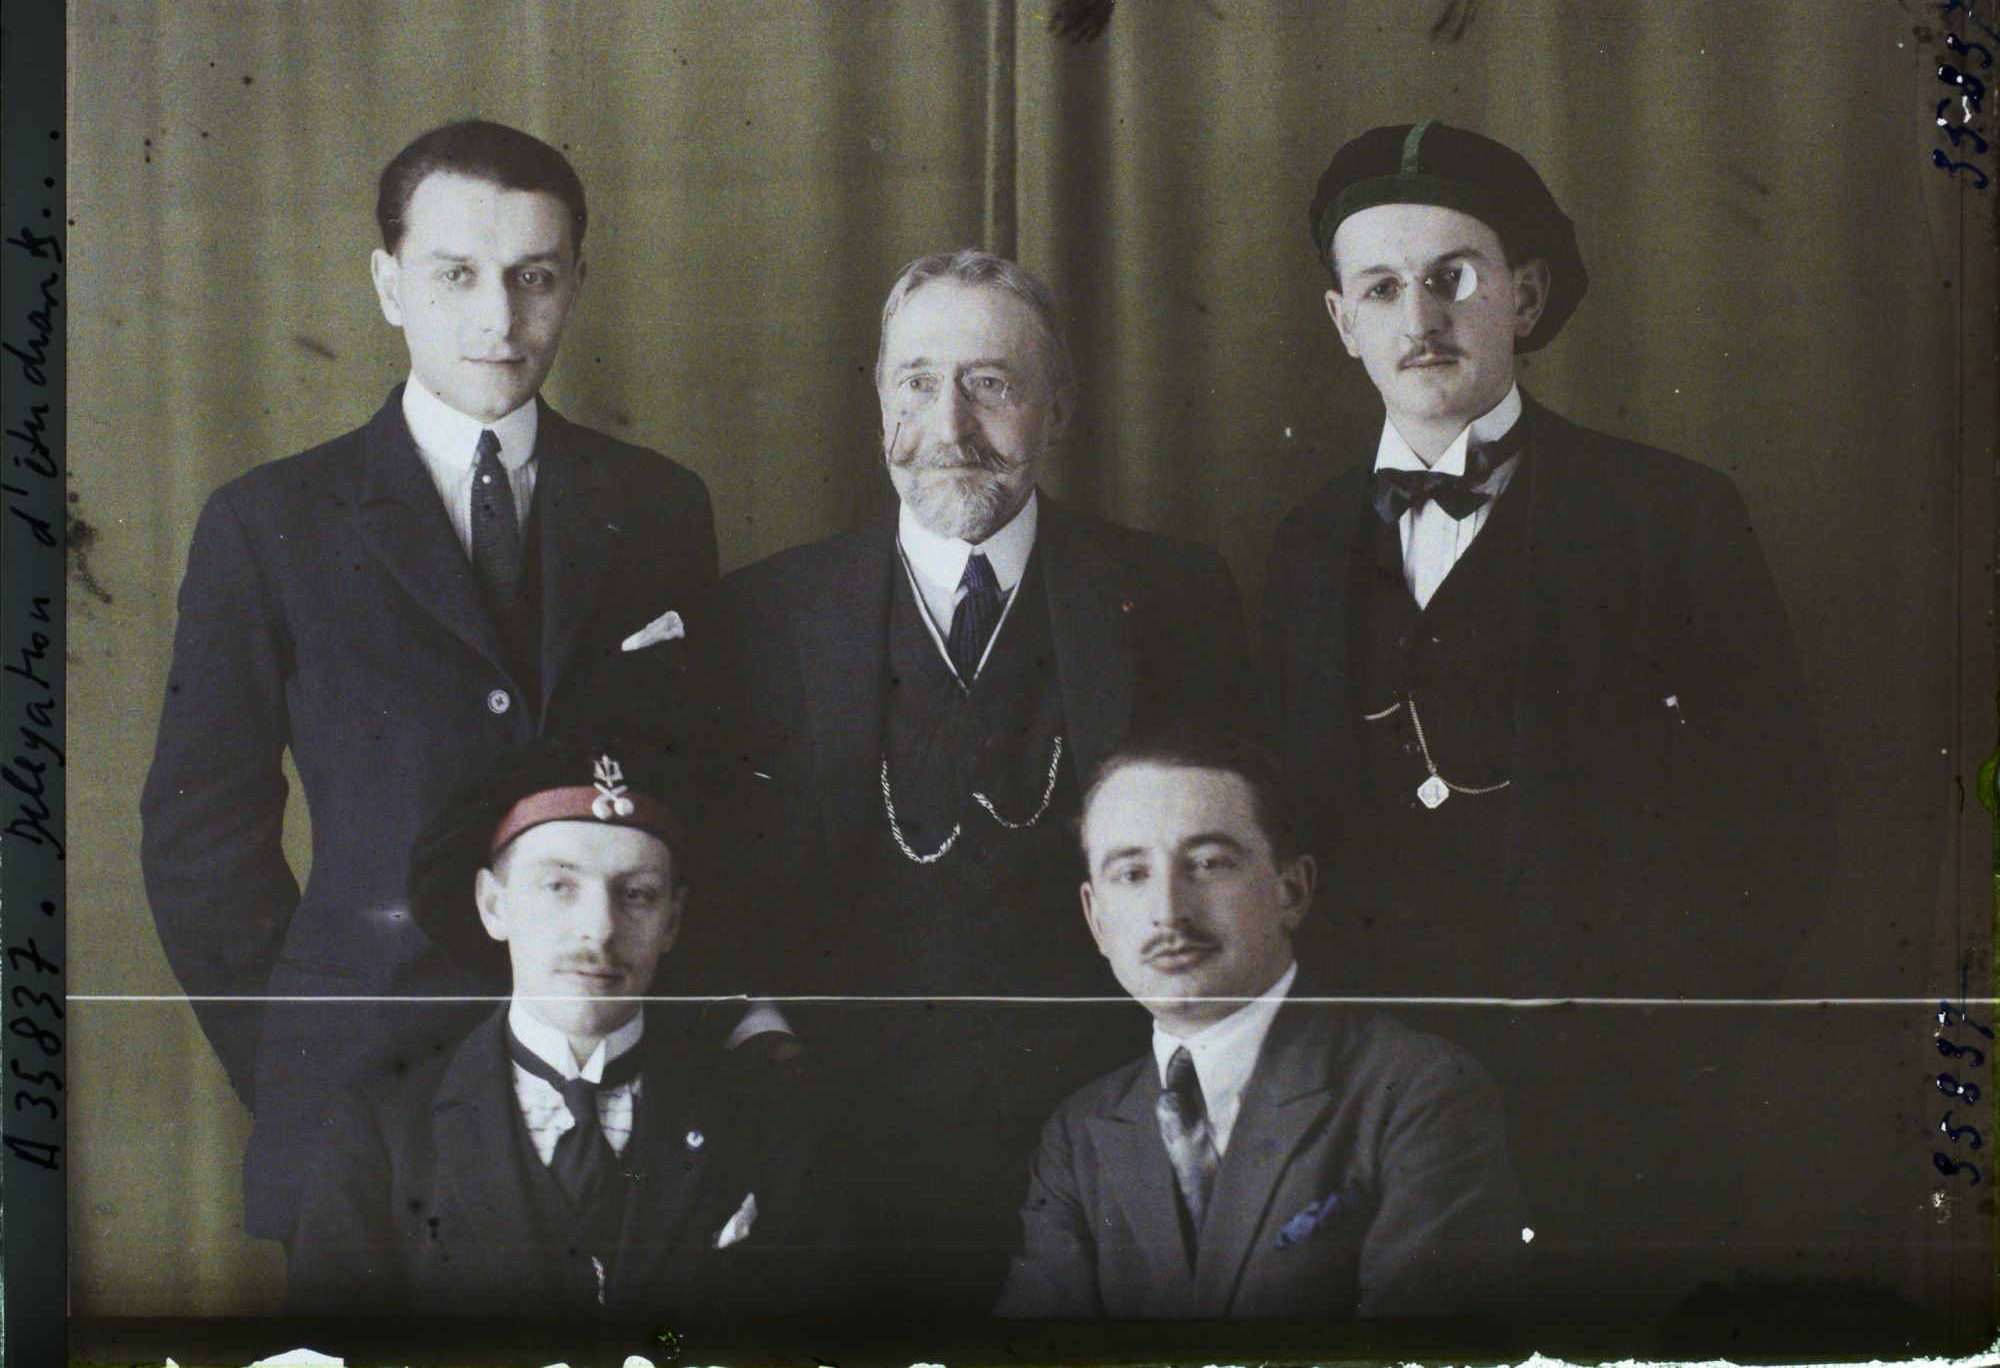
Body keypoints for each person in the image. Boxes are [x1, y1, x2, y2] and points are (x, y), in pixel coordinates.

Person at [1261, 119, 1833, 1300]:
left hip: (1620, 1110)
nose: (1417, 319)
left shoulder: (1667, 516)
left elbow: (1780, 818)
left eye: (1451, 278)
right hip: (1368, 1106)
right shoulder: (1300, 547)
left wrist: (1675, 1045)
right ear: (1341, 321)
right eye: (1380, 287)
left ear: (1520, 297)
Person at [141, 119, 718, 1245]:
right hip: (357, 1090)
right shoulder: (269, 522)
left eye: (533, 277)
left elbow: (696, 787)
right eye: (456, 275)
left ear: (576, 286)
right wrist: (297, 1051)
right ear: (388, 284)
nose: (499, 320)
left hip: (610, 1081)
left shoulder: (658, 504)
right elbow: (198, 831)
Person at [706, 249, 1262, 1313]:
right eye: (916, 382)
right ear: (877, 398)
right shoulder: (763, 615)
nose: (949, 426)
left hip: (1105, 1131)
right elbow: (719, 890)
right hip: (838, 1142)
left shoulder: (1174, 594)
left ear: (1056, 407)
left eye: (990, 384)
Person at [997, 725, 1526, 1318]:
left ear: (1292, 892)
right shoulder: (1077, 1134)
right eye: (1131, 873)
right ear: (1096, 920)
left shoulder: (1418, 1091)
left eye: (1208, 863)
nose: (1168, 911)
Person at [285, 737, 810, 1320]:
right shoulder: (382, 1131)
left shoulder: (759, 1120)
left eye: (636, 894)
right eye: (558, 886)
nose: (599, 929)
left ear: (672, 922)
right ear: (493, 905)